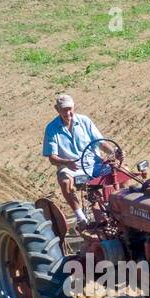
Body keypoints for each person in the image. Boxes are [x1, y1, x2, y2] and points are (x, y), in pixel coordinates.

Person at [42, 92, 105, 227]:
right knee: (64, 180)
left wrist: (115, 152)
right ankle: (80, 217)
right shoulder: (51, 128)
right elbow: (52, 158)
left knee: (122, 171)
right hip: (72, 168)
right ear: (57, 109)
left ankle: (117, 207)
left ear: (74, 107)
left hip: (94, 164)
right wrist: (66, 162)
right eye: (64, 110)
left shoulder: (84, 121)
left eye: (69, 109)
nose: (68, 113)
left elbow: (101, 142)